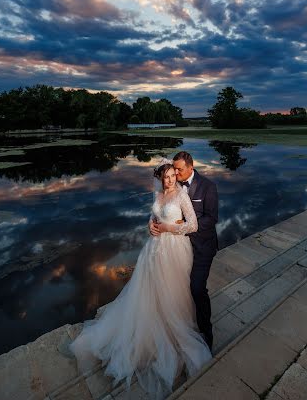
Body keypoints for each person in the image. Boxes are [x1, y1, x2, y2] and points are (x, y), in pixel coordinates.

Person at [68, 159, 211, 399]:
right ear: (159, 178)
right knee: (152, 291)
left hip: (175, 250)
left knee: (173, 291)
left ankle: (174, 330)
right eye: (165, 177)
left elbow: (193, 225)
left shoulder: (182, 195)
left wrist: (168, 229)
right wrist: (151, 227)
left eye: (172, 177)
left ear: (176, 177)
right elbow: (153, 218)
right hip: (153, 249)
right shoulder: (158, 194)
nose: (169, 181)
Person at [150, 151, 218, 350]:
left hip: (202, 245)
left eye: (179, 169)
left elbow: (211, 219)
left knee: (196, 288)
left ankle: (206, 332)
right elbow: (159, 209)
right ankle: (172, 323)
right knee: (170, 286)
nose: (175, 173)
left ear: (191, 166)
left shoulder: (208, 187)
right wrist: (151, 225)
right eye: (173, 170)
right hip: (175, 247)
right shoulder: (171, 183)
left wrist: (184, 225)